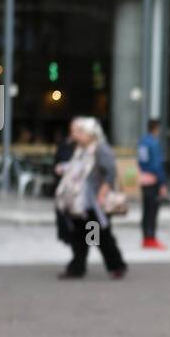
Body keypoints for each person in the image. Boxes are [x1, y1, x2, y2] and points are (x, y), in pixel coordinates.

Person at [54, 117, 127, 279]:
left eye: (80, 131)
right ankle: (77, 267)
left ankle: (116, 265)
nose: (76, 135)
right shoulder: (80, 149)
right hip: (78, 203)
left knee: (98, 236)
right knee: (79, 236)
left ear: (91, 133)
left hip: (93, 203)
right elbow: (76, 169)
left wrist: (102, 192)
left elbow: (110, 172)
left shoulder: (100, 149)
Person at [138, 117, 168, 250]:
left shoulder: (143, 141)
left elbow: (141, 160)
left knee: (145, 210)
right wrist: (162, 183)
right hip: (153, 179)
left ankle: (145, 237)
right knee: (152, 210)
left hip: (144, 178)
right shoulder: (154, 143)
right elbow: (157, 164)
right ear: (156, 128)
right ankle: (151, 238)